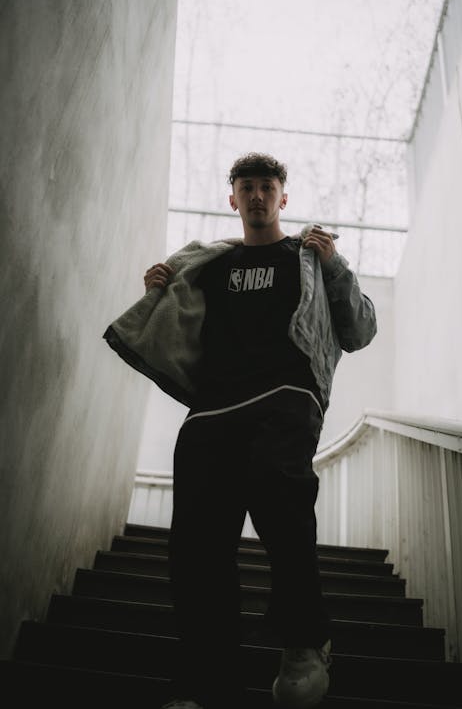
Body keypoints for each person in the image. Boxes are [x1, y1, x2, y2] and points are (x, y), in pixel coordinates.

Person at [103, 152, 377, 709]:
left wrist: (336, 265)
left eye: (267, 187)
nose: (256, 195)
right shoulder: (209, 265)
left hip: (285, 396)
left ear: (283, 198)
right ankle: (208, 685)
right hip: (212, 410)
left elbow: (361, 329)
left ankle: (304, 638)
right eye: (246, 187)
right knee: (197, 548)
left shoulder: (308, 257)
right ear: (233, 199)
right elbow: (177, 320)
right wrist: (161, 285)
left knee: (280, 494)